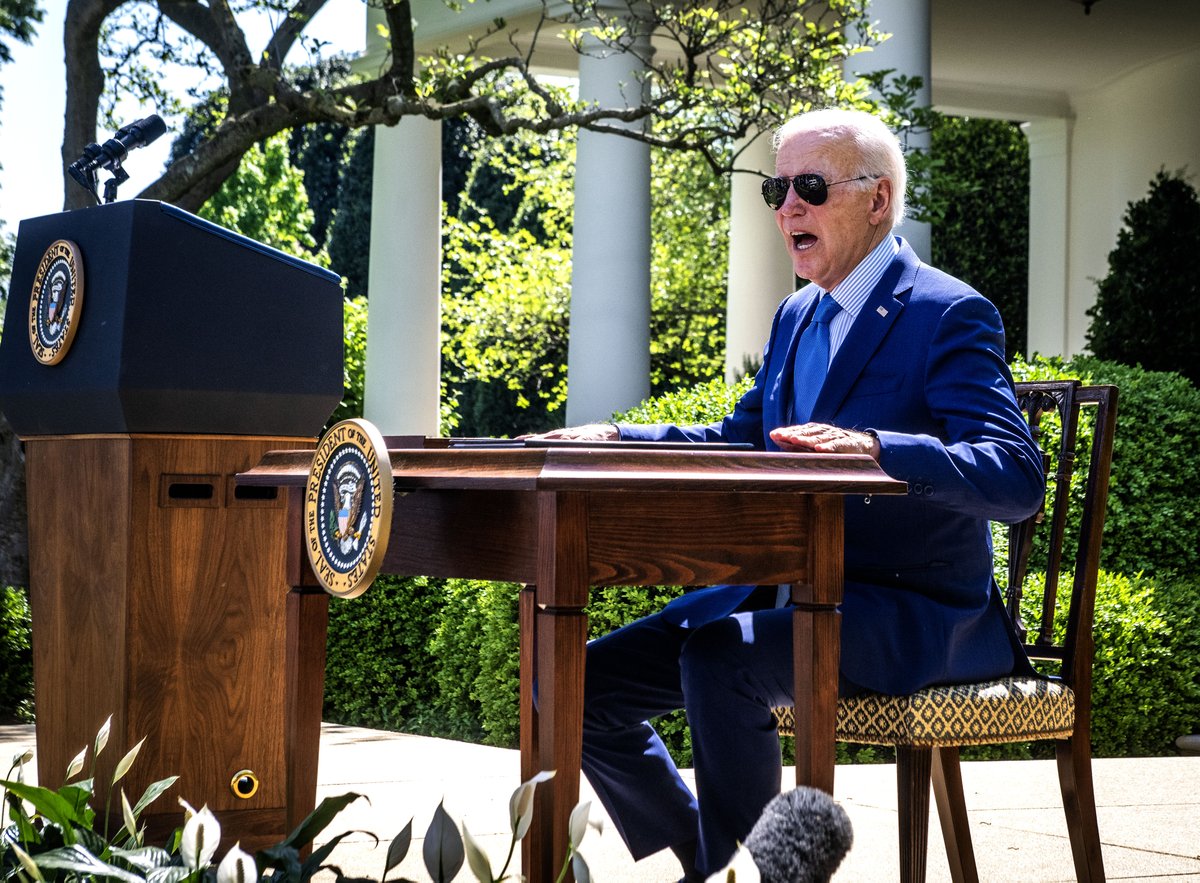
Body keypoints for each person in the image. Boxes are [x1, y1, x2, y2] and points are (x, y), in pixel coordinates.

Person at [533, 107, 1045, 880]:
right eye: (778, 188)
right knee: (575, 677)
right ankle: (720, 863)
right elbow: (742, 439)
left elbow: (1014, 474)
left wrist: (880, 448)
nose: (787, 207)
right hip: (788, 590)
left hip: (910, 611)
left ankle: (739, 870)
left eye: (809, 186)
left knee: (721, 660)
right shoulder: (796, 314)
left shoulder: (949, 312)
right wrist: (619, 438)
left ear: (877, 200)